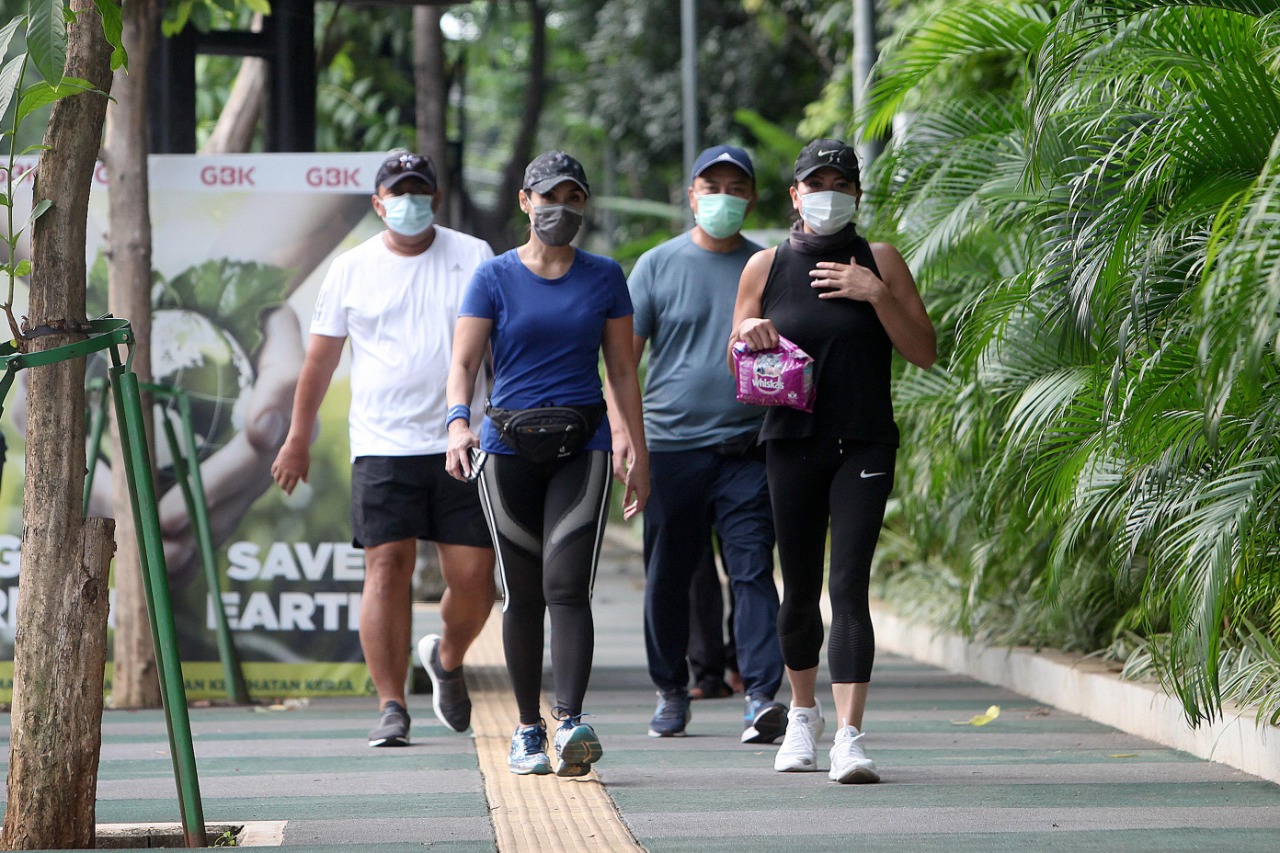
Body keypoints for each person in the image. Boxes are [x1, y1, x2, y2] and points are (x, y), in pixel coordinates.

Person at [271, 151, 497, 747]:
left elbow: (499, 347)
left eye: (419, 189)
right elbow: (319, 361)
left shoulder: (473, 256)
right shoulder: (350, 269)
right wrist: (298, 437)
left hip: (461, 437)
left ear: (437, 199)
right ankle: (391, 705)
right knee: (385, 568)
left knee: (476, 580)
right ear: (378, 203)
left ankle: (446, 658)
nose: (408, 200)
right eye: (397, 191)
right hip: (382, 443)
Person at [729, 139, 936, 783]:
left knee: (847, 586)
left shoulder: (882, 261)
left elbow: (924, 351)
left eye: (840, 183)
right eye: (815, 183)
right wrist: (750, 334)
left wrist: (875, 293)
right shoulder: (764, 267)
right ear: (793, 194)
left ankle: (850, 735)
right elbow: (735, 357)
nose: (827, 194)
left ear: (857, 194)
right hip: (790, 441)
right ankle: (800, 716)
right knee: (797, 584)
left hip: (865, 444)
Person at [445, 150, 649, 777]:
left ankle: (570, 723)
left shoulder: (605, 276)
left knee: (567, 585)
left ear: (584, 205)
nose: (561, 208)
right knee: (522, 591)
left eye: (574, 197)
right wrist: (457, 422)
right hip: (505, 450)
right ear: (526, 202)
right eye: (549, 196)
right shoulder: (493, 278)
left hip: (580, 449)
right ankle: (526, 730)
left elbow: (620, 370)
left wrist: (632, 447)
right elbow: (464, 363)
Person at [622, 145, 785, 743]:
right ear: (691, 195)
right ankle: (671, 690)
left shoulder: (769, 266)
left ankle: (762, 695)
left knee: (752, 570)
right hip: (671, 450)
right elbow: (622, 364)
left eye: (735, 187)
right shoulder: (656, 266)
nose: (722, 196)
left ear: (751, 198)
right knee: (668, 574)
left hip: (748, 447)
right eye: (710, 185)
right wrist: (626, 440)